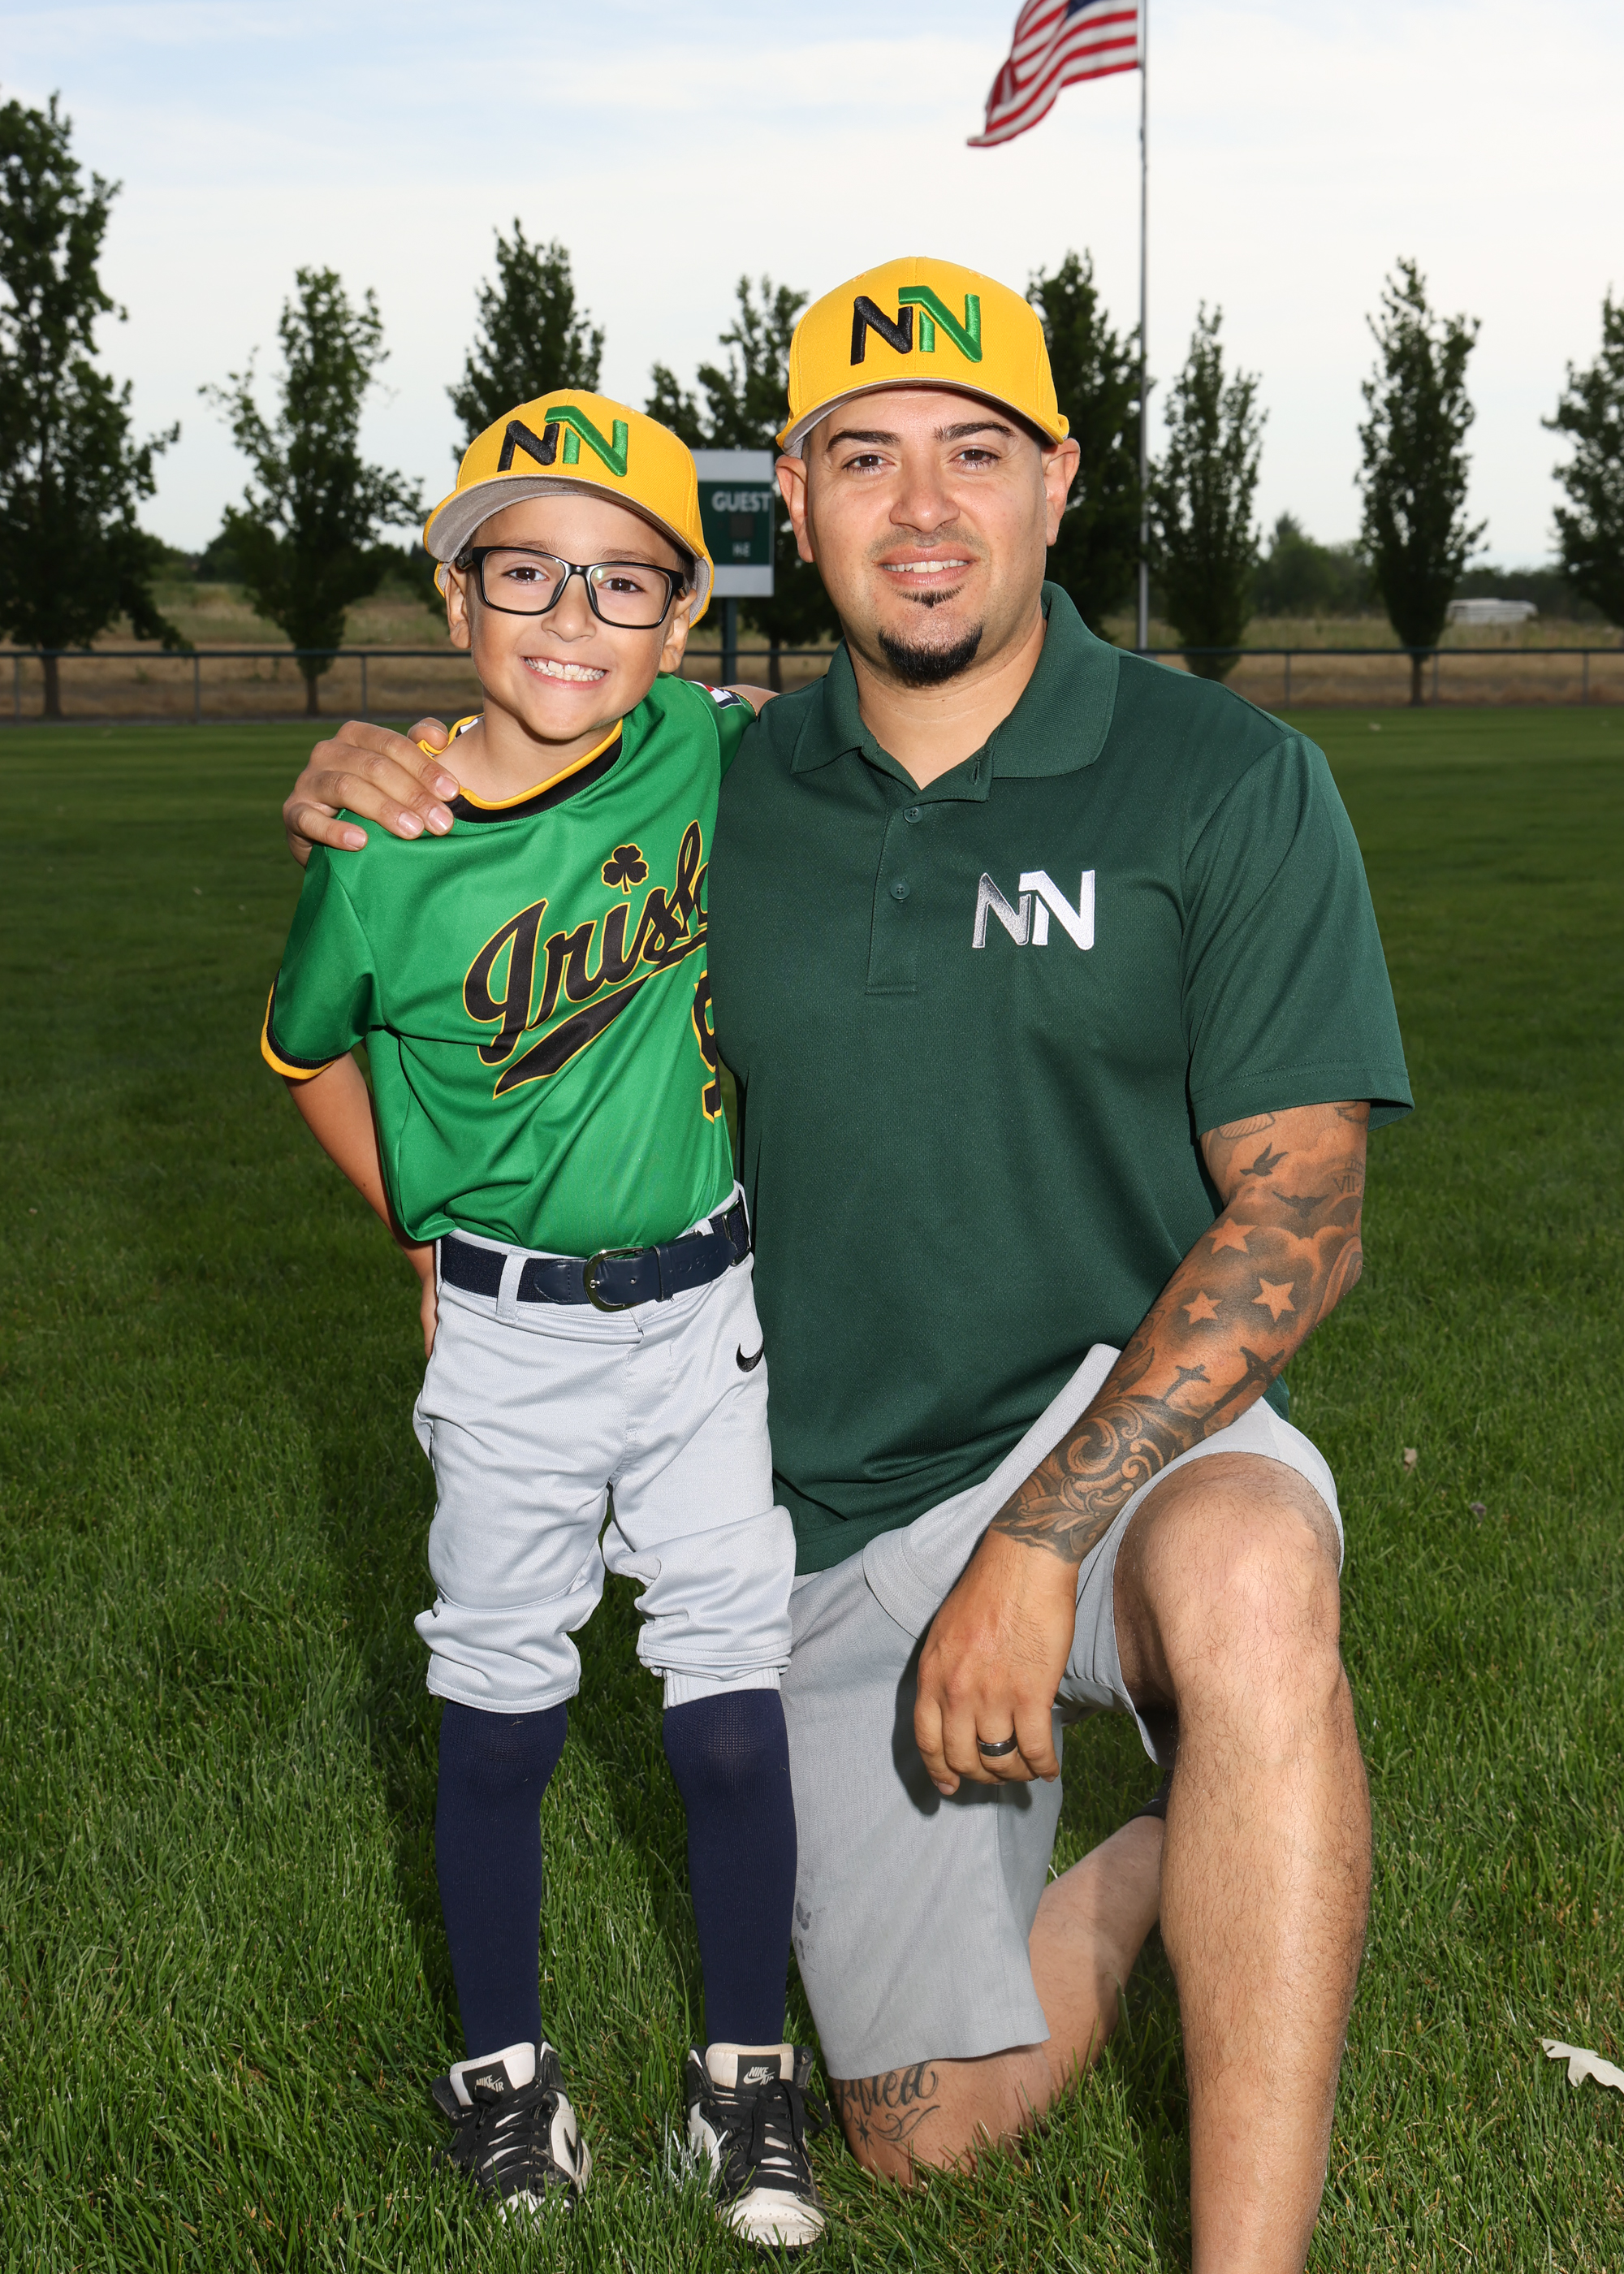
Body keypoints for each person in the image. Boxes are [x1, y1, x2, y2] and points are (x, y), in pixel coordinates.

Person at [283, 259, 1412, 2274]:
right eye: (863, 457)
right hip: (816, 1506)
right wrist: (364, 785)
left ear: (1059, 479)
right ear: (790, 504)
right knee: (921, 2138)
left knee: (1253, 1578)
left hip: (1106, 1437)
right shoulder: (709, 776)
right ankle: (1176, 1850)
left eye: (974, 450)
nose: (923, 507)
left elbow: (1303, 1213)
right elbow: (469, 891)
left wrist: (1039, 1544)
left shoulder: (1225, 777)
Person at [262, 389, 824, 2249]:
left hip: (706, 1308)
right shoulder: (384, 841)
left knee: (729, 1714)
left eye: (621, 582)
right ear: (455, 597)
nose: (571, 619)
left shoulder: (708, 749)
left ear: (681, 619)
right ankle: (504, 2078)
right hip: (508, 1338)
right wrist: (417, 1230)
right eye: (525, 573)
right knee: (499, 1713)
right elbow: (307, 1051)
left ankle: (744, 2076)